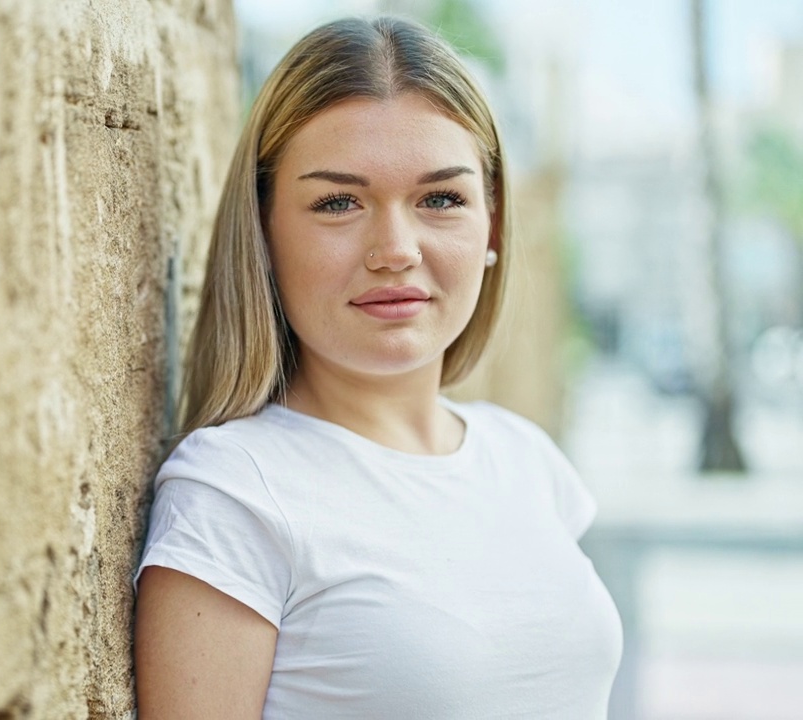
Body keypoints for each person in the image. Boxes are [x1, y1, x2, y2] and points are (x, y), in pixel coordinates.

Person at [133, 15, 623, 719]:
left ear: (494, 226)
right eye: (338, 202)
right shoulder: (234, 495)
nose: (395, 248)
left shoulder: (528, 462)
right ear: (264, 233)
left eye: (441, 199)